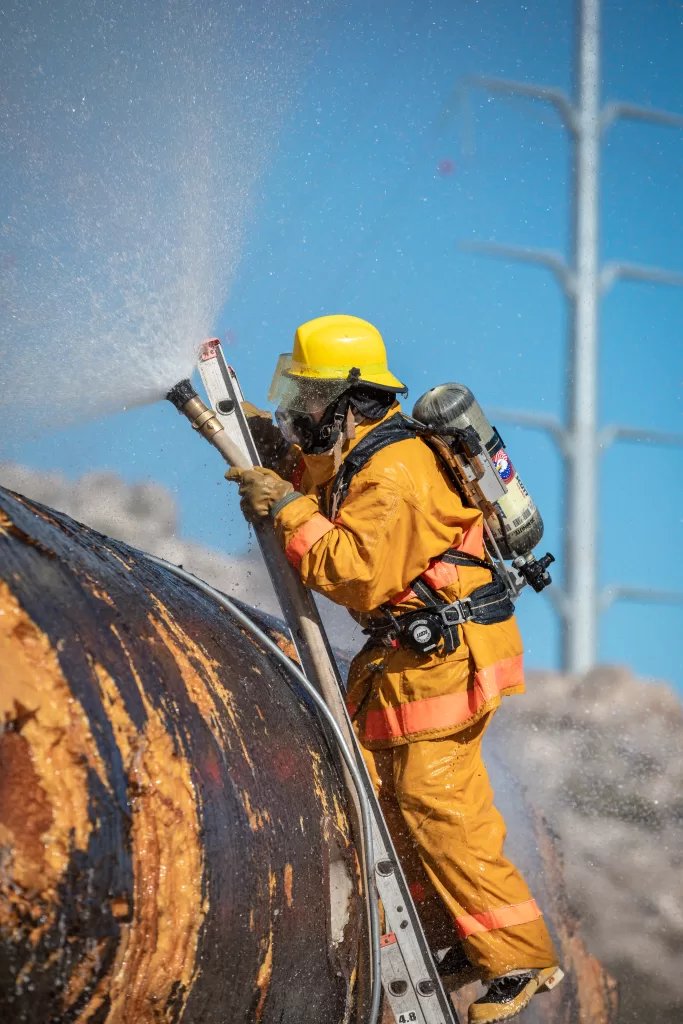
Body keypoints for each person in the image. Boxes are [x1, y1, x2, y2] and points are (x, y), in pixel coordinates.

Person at [226, 314, 563, 1024]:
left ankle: (520, 958)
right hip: (413, 659)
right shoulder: (366, 451)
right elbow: (321, 476)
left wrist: (287, 510)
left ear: (350, 402)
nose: (299, 412)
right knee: (389, 798)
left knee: (437, 801)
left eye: (310, 399)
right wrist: (257, 433)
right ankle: (458, 936)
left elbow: (354, 572)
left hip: (440, 657)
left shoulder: (397, 473)